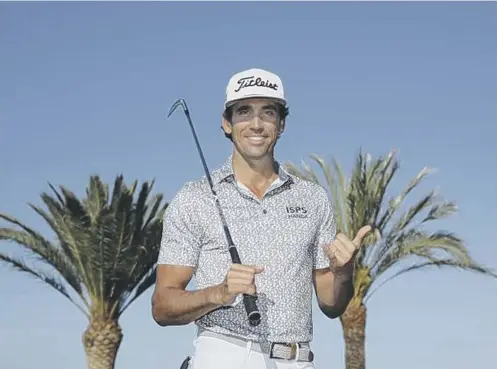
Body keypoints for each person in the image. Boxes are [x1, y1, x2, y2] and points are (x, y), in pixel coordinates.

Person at [151, 68, 372, 369]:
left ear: (281, 125)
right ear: (226, 123)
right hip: (223, 354)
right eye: (244, 112)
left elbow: (331, 305)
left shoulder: (312, 197)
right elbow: (163, 306)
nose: (256, 124)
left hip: (298, 359)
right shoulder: (194, 198)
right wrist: (220, 292)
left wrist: (344, 273)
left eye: (268, 112)